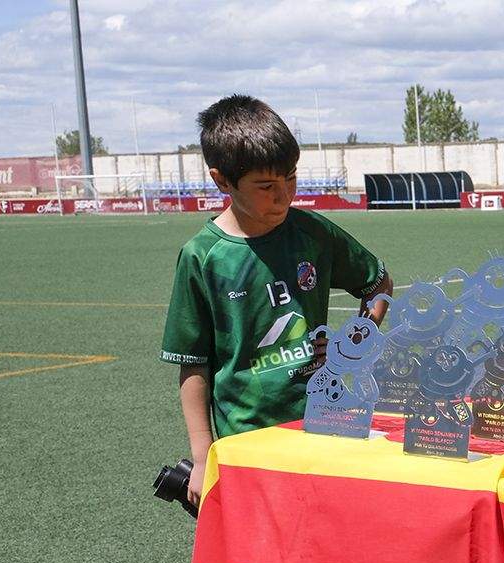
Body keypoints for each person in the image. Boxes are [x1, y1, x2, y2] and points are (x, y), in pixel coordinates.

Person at [160, 95, 393, 509]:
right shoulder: (203, 257)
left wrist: (354, 343)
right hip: (246, 439)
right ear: (222, 181)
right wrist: (202, 456)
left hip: (323, 421)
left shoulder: (313, 233)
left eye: (291, 178)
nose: (284, 195)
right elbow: (193, 364)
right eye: (267, 187)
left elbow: (378, 283)